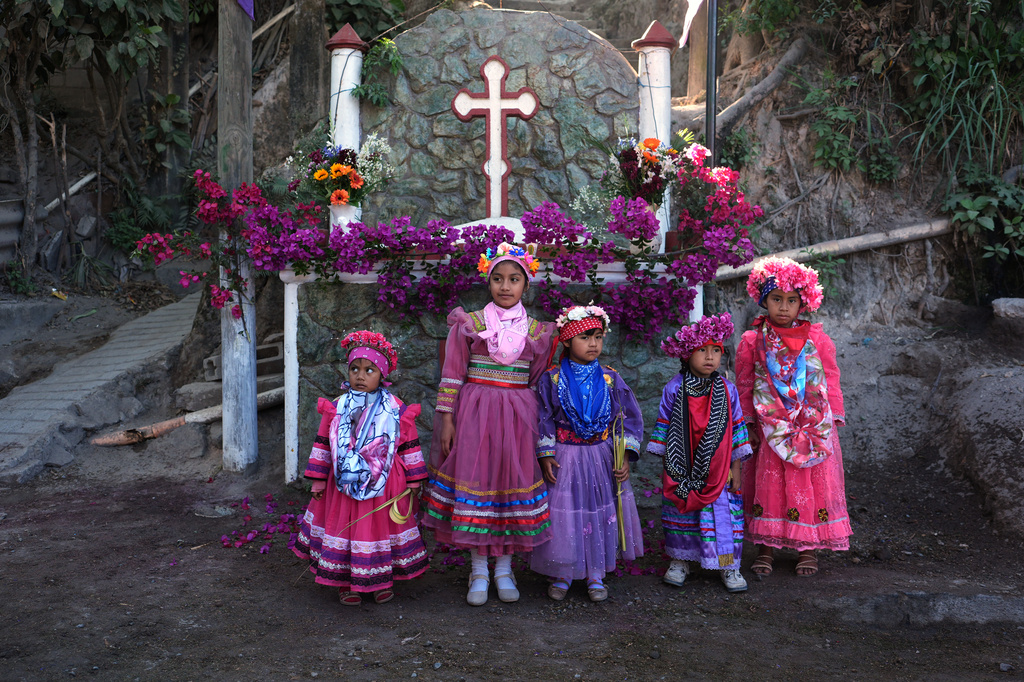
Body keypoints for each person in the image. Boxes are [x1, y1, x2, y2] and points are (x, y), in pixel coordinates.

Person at [423, 243, 557, 606]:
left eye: (514, 279)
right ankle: (479, 567)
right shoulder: (470, 324)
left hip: (519, 418)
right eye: (497, 279)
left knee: (509, 481)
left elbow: (539, 382)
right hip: (475, 414)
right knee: (477, 479)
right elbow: (452, 376)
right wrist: (447, 420)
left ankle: (505, 567)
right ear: (488, 282)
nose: (505, 286)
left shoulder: (540, 332)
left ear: (526, 286)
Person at [735, 256, 852, 577]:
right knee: (768, 487)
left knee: (810, 486)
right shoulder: (751, 341)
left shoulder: (819, 340)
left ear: (804, 303)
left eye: (791, 301)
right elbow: (744, 384)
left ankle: (808, 549)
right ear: (763, 300)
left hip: (812, 427)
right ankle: (766, 548)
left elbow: (830, 380)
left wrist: (833, 420)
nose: (783, 307)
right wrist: (747, 424)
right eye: (776, 300)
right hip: (768, 425)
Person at [293, 330, 429, 605]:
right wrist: (318, 480)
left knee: (379, 530)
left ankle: (380, 580)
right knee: (348, 529)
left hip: (386, 484)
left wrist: (414, 480)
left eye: (369, 370)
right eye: (355, 368)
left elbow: (409, 444)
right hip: (344, 482)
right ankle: (348, 582)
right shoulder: (337, 408)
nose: (360, 375)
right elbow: (322, 443)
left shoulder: (395, 409)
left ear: (382, 375)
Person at [530, 305, 645, 602]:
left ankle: (596, 571)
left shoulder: (610, 379)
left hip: (600, 457)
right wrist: (545, 454)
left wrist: (623, 457)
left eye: (598, 336)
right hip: (565, 457)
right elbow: (543, 417)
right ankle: (564, 571)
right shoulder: (552, 379)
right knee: (567, 515)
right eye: (584, 337)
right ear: (567, 341)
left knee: (599, 510)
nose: (593, 344)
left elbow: (627, 417)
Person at [648, 313, 753, 593]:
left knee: (722, 518)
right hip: (682, 470)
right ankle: (680, 561)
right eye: (702, 350)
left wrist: (736, 469)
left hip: (720, 471)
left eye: (716, 350)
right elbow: (664, 431)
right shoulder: (674, 389)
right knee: (682, 516)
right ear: (686, 354)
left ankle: (728, 565)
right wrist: (672, 470)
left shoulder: (728, 391)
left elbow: (737, 431)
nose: (710, 357)